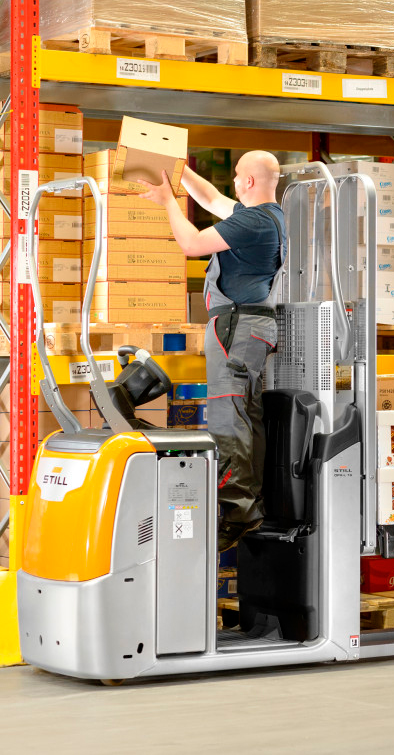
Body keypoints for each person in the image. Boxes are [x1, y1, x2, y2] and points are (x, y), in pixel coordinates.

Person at [138, 151, 287, 552]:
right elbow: (210, 199)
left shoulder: (253, 222)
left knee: (228, 418)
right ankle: (249, 506)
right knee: (245, 416)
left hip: (236, 328)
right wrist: (179, 171)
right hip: (250, 327)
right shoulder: (267, 216)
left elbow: (191, 244)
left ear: (249, 181)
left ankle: (236, 513)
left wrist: (168, 201)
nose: (233, 182)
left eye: (237, 176)